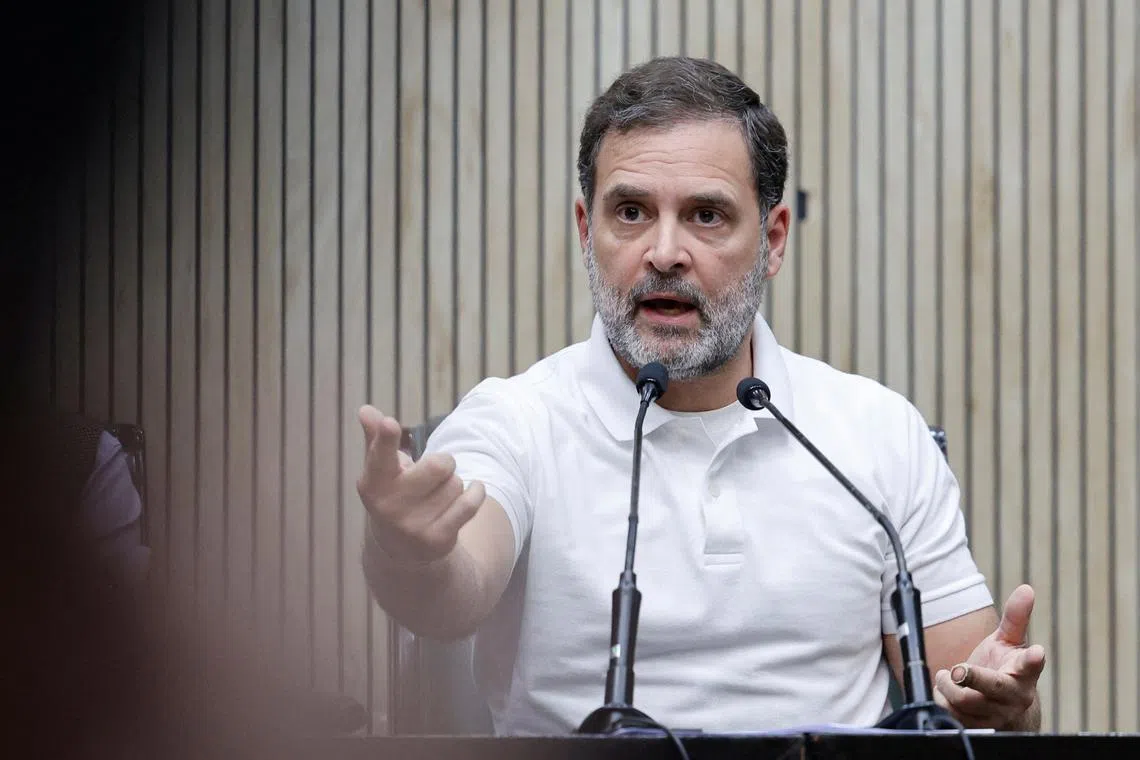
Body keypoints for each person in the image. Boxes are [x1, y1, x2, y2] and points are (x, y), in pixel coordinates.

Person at [358, 56, 1045, 736]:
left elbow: (977, 704)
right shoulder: (514, 422)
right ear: (584, 230)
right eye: (630, 211)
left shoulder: (875, 433)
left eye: (706, 216)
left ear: (773, 240)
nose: (663, 252)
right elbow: (447, 593)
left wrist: (1008, 705)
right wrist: (408, 552)